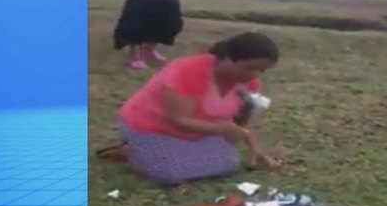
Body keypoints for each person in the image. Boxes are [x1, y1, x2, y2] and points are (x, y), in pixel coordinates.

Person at [97, 32, 281, 186]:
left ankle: (157, 154)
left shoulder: (249, 84)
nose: (255, 75)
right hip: (150, 126)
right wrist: (220, 129)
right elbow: (177, 119)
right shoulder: (188, 70)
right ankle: (131, 151)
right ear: (226, 58)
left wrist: (256, 150)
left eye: (262, 71)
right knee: (169, 175)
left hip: (198, 131)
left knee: (229, 165)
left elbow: (241, 124)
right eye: (250, 68)